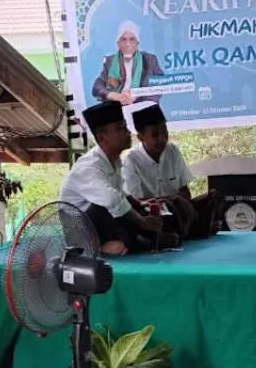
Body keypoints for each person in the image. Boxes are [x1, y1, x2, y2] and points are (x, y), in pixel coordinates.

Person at [59, 101, 178, 256]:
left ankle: (135, 241)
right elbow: (112, 200)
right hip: (81, 232)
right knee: (106, 207)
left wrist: (140, 205)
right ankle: (106, 245)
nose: (128, 132)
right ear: (102, 137)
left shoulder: (114, 160)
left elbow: (121, 194)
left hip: (104, 223)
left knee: (137, 207)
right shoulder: (89, 167)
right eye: (120, 128)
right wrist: (142, 222)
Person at [122, 103, 222, 240]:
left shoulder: (172, 151)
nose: (162, 138)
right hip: (153, 215)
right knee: (172, 205)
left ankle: (192, 227)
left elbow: (185, 191)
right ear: (140, 137)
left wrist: (184, 205)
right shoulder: (131, 161)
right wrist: (168, 201)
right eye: (155, 135)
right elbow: (136, 202)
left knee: (213, 196)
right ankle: (195, 229)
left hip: (179, 211)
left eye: (165, 132)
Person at [91, 20, 164, 106]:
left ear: (137, 43)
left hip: (143, 106)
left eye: (132, 39)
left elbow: (161, 85)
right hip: (118, 105)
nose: (128, 44)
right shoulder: (110, 61)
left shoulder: (149, 60)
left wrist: (136, 95)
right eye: (123, 40)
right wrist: (114, 96)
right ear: (118, 43)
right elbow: (97, 87)